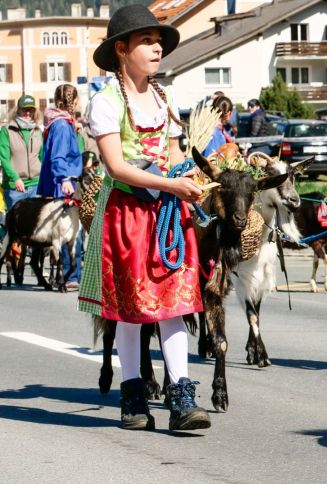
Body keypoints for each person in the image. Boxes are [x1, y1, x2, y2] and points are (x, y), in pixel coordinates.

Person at [78, 4, 210, 432]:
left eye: (158, 42)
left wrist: (184, 174)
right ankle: (133, 397)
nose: (156, 49)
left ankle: (182, 396)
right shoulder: (106, 100)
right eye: (146, 42)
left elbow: (173, 156)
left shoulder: (164, 98)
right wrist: (172, 185)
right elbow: (115, 166)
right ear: (122, 49)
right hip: (128, 215)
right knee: (132, 310)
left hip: (166, 215)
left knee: (174, 306)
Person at [38, 84, 85, 289]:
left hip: (59, 183)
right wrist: (65, 179)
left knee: (65, 231)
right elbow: (58, 156)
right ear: (73, 101)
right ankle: (71, 275)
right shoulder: (62, 126)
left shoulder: (59, 123)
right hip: (64, 184)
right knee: (69, 231)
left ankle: (69, 274)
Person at [1, 94, 43, 209]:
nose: (28, 113)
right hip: (15, 188)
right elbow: (4, 159)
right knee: (16, 226)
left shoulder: (38, 131)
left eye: (30, 110)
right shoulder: (6, 130)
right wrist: (16, 178)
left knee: (35, 225)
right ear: (18, 110)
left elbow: (42, 158)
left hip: (36, 187)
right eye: (25, 110)